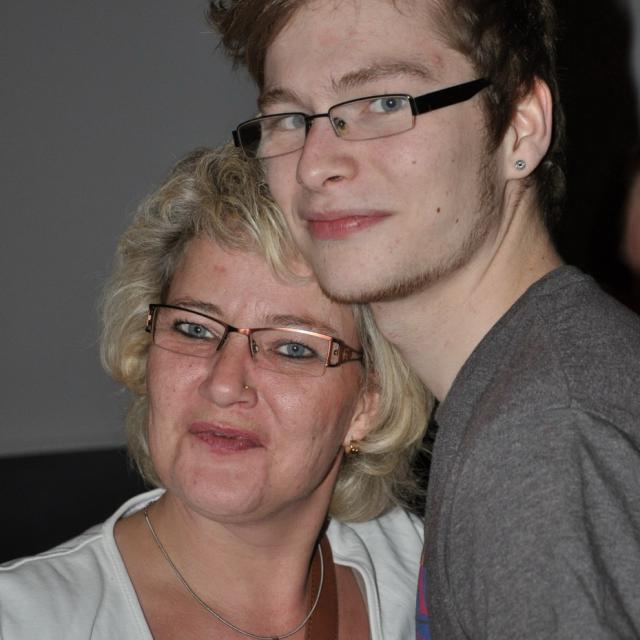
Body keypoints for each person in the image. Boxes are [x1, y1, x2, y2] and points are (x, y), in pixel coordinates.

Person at [209, 1, 640, 638]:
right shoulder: (528, 386)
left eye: (385, 103)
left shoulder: (541, 441)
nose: (314, 164)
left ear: (520, 128)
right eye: (290, 119)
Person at [0, 145, 431, 639]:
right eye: (194, 329)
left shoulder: (425, 573)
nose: (223, 384)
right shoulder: (23, 621)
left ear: (367, 404)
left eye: (292, 348)